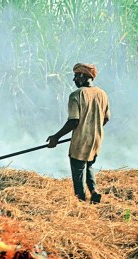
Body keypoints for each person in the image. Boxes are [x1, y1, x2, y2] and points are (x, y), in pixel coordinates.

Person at [47, 63, 110, 203]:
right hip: (96, 140)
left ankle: (80, 200)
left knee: (78, 169)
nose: (74, 79)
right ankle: (94, 191)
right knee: (89, 164)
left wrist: (55, 137)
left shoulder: (77, 95)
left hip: (80, 141)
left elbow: (73, 121)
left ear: (83, 76)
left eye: (76, 76)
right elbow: (106, 118)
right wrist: (93, 128)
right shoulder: (102, 94)